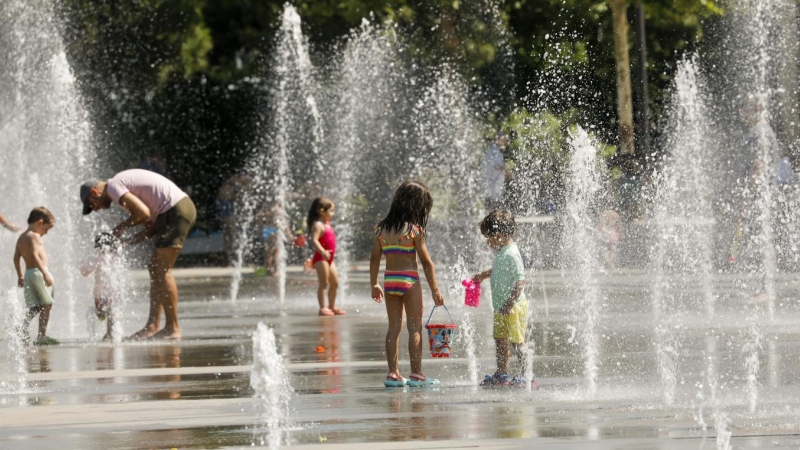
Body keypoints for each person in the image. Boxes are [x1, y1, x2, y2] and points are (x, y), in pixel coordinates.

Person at [80, 169, 197, 340]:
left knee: (163, 269)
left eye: (92, 204)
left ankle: (173, 328)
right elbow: (149, 228)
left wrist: (119, 229)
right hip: (175, 210)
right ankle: (152, 326)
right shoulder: (121, 188)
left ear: (94, 192)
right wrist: (123, 243)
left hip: (175, 210)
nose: (95, 209)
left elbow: (143, 214)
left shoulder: (113, 187)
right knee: (155, 267)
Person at [370, 180, 445, 387]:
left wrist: (373, 284)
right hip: (409, 281)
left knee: (393, 328)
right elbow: (427, 263)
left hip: (389, 281)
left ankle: (393, 374)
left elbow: (374, 258)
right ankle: (416, 374)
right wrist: (435, 291)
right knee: (415, 329)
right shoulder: (414, 231)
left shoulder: (381, 228)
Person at [471, 209, 529, 387]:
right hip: (501, 307)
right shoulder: (504, 251)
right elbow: (499, 271)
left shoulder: (512, 253)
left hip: (513, 307)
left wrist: (510, 303)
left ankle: (527, 374)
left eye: (490, 237)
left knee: (517, 342)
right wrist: (483, 275)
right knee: (500, 340)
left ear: (501, 234)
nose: (488, 242)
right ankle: (502, 373)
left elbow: (520, 281)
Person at [13, 207, 58, 345]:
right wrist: (45, 273)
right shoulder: (34, 236)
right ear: (39, 222)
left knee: (35, 306)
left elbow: (15, 258)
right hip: (40, 273)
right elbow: (34, 255)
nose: (46, 233)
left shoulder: (21, 237)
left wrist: (20, 276)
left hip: (28, 274)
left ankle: (22, 327)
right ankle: (41, 336)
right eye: (47, 229)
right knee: (46, 304)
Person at [80, 232, 121, 342]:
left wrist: (83, 266)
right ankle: (110, 332)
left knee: (101, 310)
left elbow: (84, 271)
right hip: (113, 290)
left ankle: (104, 321)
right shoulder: (115, 259)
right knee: (111, 311)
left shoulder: (97, 260)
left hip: (100, 293)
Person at [307, 197, 345, 316]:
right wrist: (323, 251)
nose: (333, 213)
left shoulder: (326, 223)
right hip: (321, 258)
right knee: (324, 283)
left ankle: (332, 306)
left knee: (335, 283)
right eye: (331, 211)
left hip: (329, 259)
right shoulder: (318, 225)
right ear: (322, 211)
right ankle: (323, 307)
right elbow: (314, 240)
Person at [482, 132, 511, 211]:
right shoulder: (494, 151)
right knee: (493, 202)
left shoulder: (494, 150)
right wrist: (511, 176)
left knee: (494, 201)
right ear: (500, 140)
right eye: (505, 140)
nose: (507, 142)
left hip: (493, 183)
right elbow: (500, 166)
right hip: (492, 183)